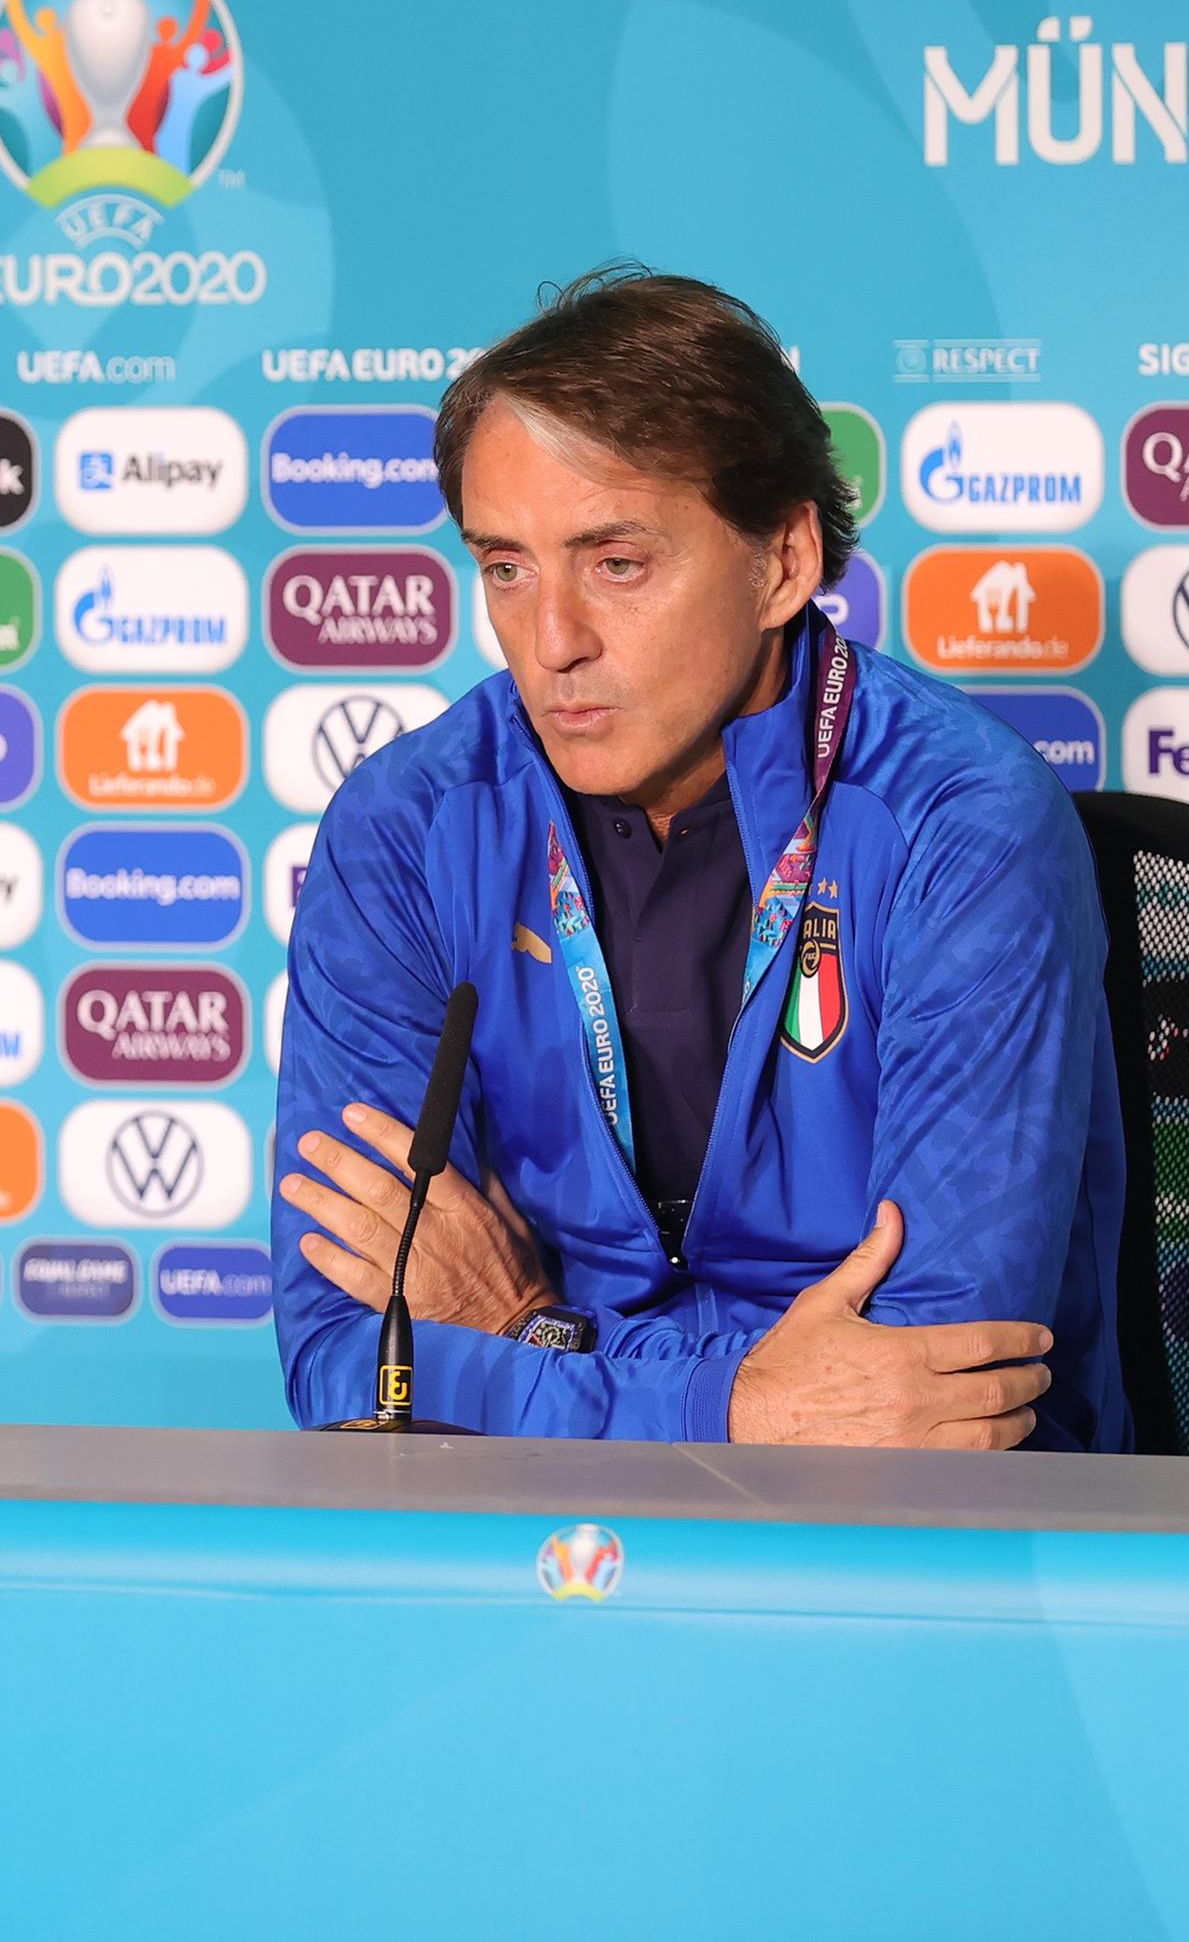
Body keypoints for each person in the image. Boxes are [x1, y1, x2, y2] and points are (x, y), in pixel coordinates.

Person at [273, 271, 1128, 1447]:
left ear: (782, 561)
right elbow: (347, 1366)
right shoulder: (406, 831)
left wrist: (520, 1332)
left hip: (900, 1575)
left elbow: (930, 1400)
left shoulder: (962, 828)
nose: (553, 640)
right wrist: (734, 1403)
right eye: (506, 568)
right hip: (533, 1564)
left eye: (616, 563)